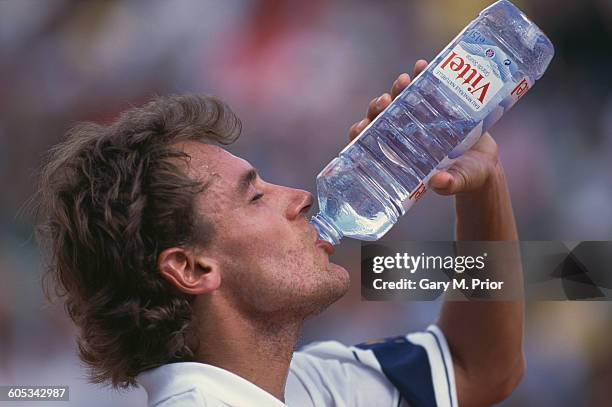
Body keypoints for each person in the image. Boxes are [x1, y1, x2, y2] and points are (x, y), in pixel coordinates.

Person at [35, 60, 524, 407]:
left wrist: (482, 180)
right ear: (191, 267)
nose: (301, 197)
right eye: (256, 196)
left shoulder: (309, 384)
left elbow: (480, 369)